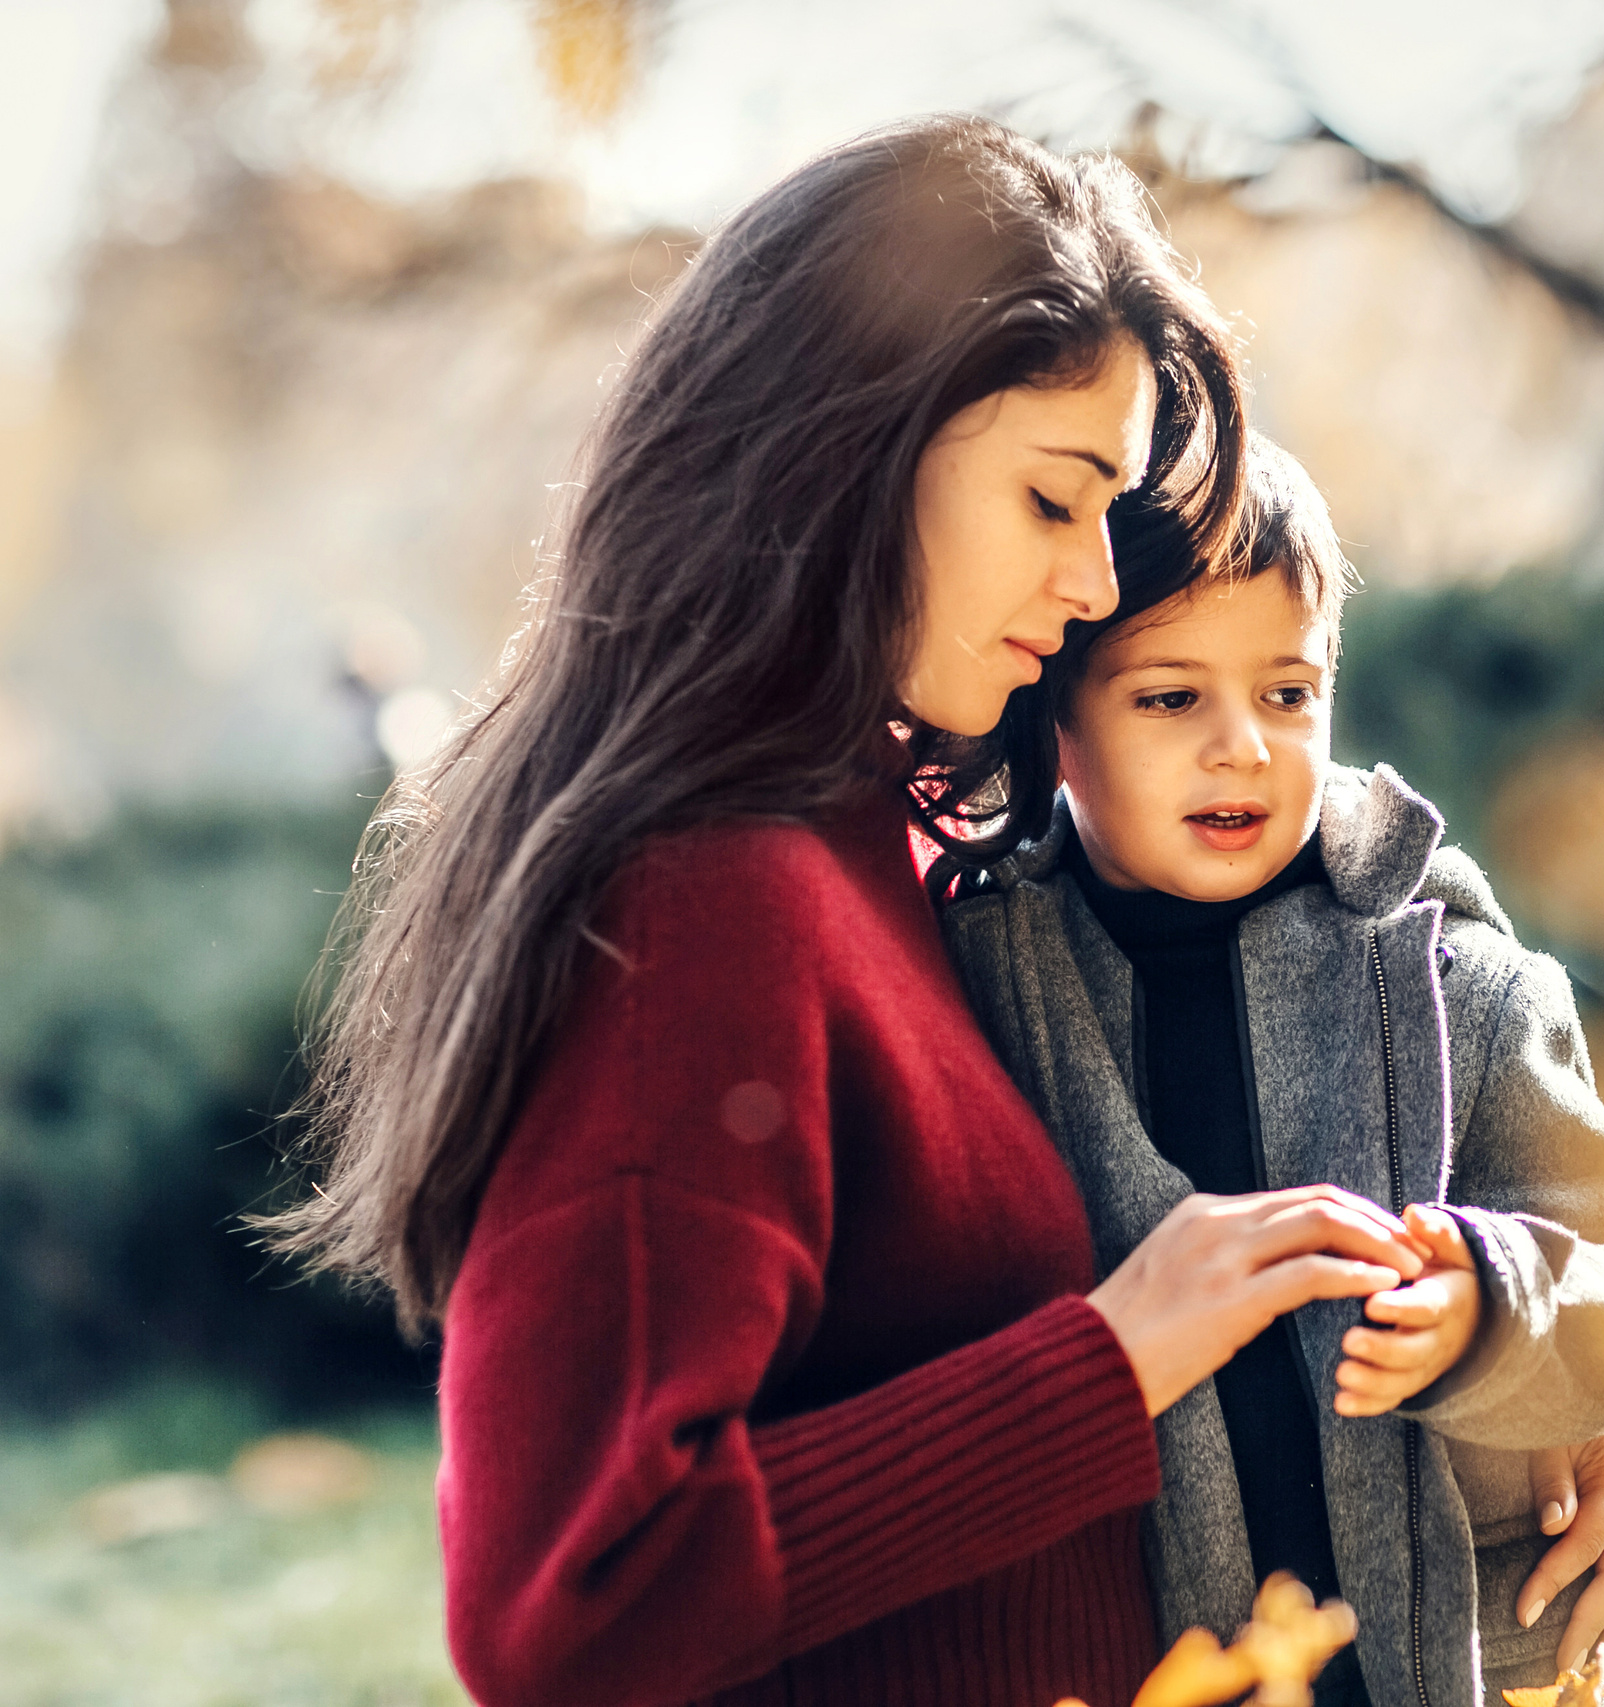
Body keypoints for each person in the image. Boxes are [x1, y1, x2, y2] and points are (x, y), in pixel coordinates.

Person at [259, 116, 1456, 1707]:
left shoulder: (870, 843)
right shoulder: (698, 899)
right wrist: (1105, 1361)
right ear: (853, 452)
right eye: (1054, 499)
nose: (1099, 580)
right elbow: (571, 1602)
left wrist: (1517, 1430)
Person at [938, 436, 1604, 1703]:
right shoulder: (992, 991)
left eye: (1288, 694)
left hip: (1473, 1663)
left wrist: (1494, 1307)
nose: (1243, 746)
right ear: (1056, 722)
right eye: (1170, 699)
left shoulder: (1462, 990)